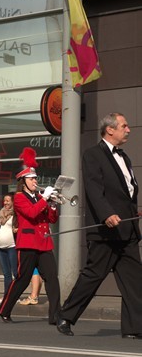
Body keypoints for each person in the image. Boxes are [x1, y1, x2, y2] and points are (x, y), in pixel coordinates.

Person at [58, 113, 142, 338]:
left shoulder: (123, 157)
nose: (128, 129)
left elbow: (126, 192)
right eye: (124, 126)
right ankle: (65, 316)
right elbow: (94, 189)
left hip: (128, 229)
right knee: (93, 276)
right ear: (110, 130)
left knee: (134, 281)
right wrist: (107, 214)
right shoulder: (93, 155)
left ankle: (134, 329)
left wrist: (134, 211)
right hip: (106, 231)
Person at [0, 147, 60, 325]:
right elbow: (32, 214)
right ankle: (4, 309)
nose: (35, 181)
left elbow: (51, 218)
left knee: (52, 279)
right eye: (31, 178)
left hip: (44, 243)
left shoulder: (39, 197)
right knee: (22, 279)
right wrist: (44, 199)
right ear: (22, 181)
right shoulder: (18, 197)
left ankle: (55, 315)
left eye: (35, 178)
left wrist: (53, 205)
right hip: (28, 243)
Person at [0, 194, 18, 304]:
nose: (6, 203)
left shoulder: (16, 214)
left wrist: (17, 229)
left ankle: (14, 296)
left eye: (8, 201)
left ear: (13, 202)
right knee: (6, 274)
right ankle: (6, 297)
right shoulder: (1, 213)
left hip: (12, 247)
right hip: (1, 248)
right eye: (4, 201)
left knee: (15, 273)